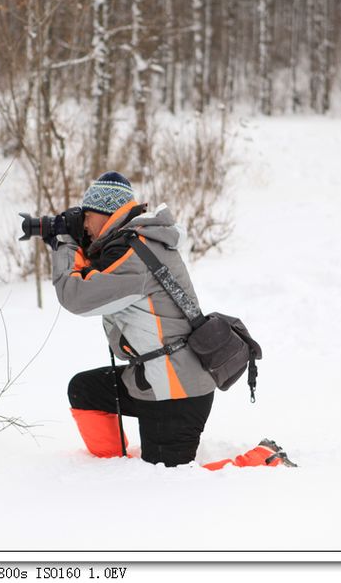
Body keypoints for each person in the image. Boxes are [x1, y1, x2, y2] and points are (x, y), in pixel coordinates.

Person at [45, 171, 291, 470]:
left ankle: (264, 460)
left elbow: (76, 297)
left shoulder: (132, 254)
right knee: (86, 390)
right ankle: (110, 467)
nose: (83, 223)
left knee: (168, 479)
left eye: (86, 215)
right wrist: (71, 245)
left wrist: (63, 243)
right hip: (153, 381)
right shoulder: (134, 244)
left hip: (177, 392)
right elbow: (93, 278)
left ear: (104, 213)